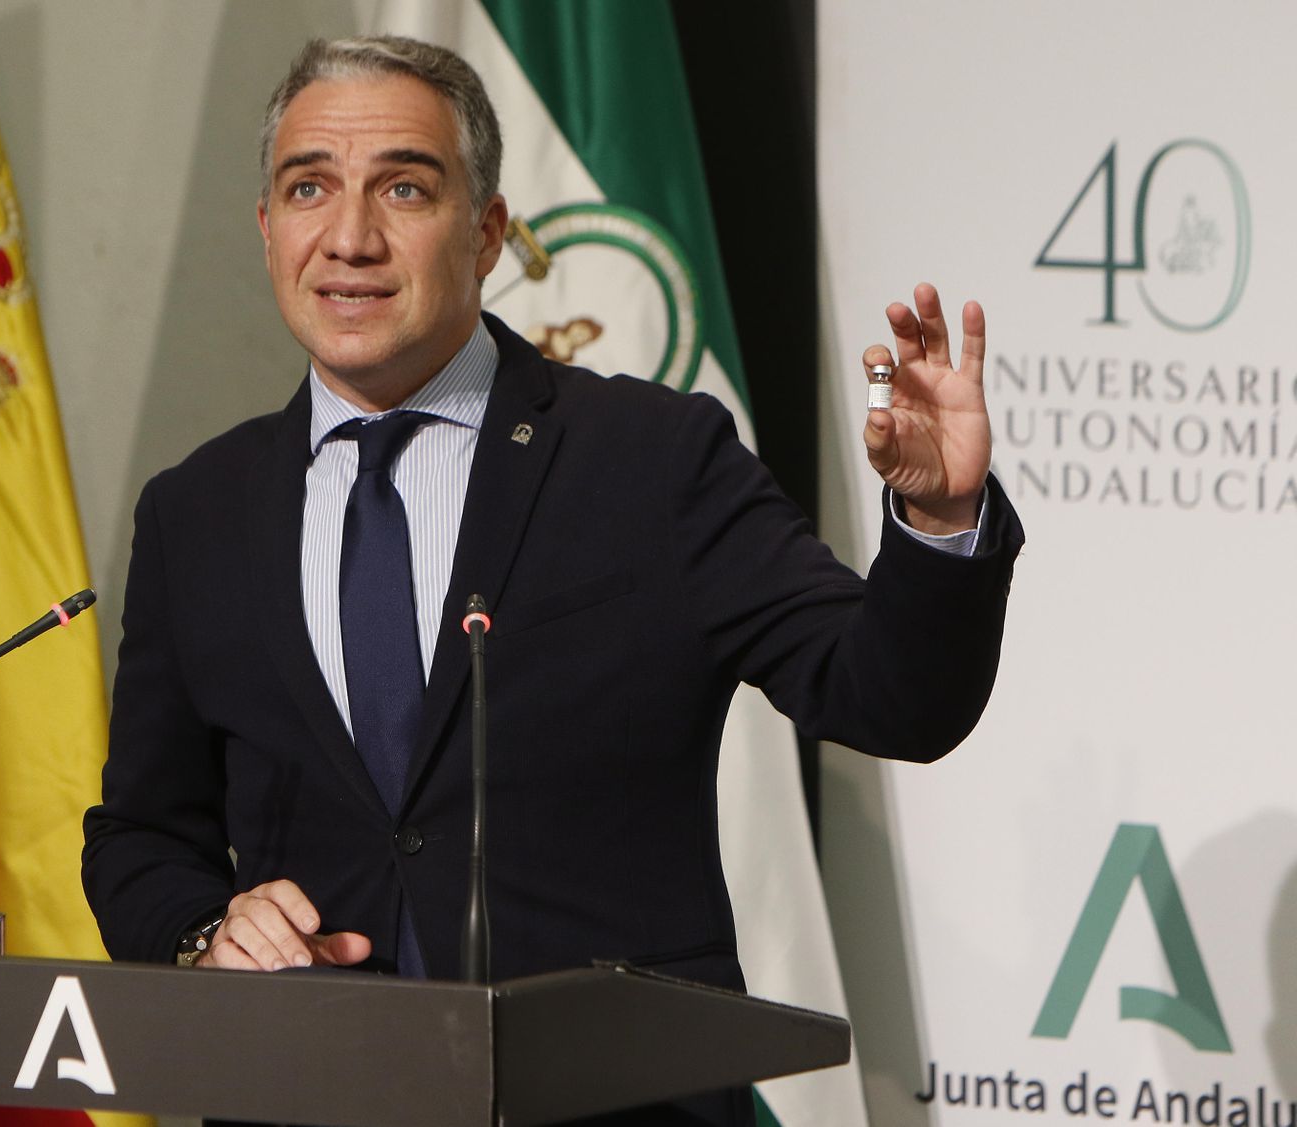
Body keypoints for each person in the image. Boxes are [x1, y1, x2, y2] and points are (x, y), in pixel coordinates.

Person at [82, 33, 1022, 1127]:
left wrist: (938, 518)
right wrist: (205, 933)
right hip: (307, 1097)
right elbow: (143, 833)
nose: (349, 237)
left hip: (615, 1106)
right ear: (266, 229)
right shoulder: (198, 511)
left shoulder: (652, 457)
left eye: (404, 187)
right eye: (309, 188)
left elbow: (891, 698)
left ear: (486, 234)